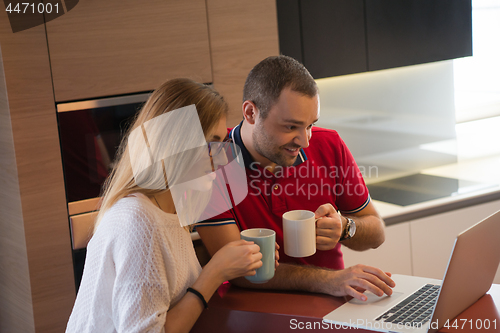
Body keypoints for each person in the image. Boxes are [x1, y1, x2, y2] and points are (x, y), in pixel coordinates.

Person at [65, 78, 271, 333]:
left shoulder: (168, 210)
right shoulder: (141, 223)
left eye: (221, 145)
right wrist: (215, 272)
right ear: (172, 144)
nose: (218, 159)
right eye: (209, 144)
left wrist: (228, 262)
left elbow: (166, 283)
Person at [197, 55, 395, 301]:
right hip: (252, 315)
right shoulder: (210, 164)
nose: (305, 141)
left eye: (310, 125)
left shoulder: (329, 144)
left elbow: (377, 233)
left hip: (333, 306)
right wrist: (330, 280)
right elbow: (238, 272)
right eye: (290, 127)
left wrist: (345, 228)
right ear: (250, 113)